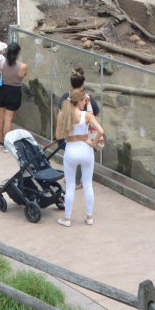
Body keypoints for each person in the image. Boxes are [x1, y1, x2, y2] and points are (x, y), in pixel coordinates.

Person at [54, 87, 104, 226]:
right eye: (85, 100)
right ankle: (89, 217)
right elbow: (101, 131)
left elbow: (58, 136)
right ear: (80, 101)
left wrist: (70, 133)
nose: (86, 102)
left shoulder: (64, 115)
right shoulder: (87, 116)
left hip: (71, 150)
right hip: (86, 149)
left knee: (70, 186)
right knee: (88, 185)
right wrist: (93, 143)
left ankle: (67, 219)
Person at [0, 42, 27, 147]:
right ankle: (7, 144)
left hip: (1, 89)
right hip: (14, 91)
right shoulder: (22, 66)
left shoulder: (1, 63)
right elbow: (21, 76)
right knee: (8, 119)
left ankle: (0, 141)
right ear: (18, 52)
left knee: (1, 117)